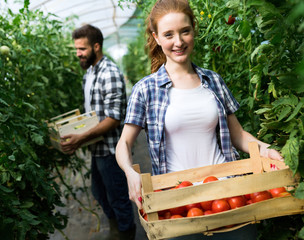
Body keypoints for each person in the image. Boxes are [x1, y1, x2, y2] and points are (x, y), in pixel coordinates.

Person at [115, 0, 283, 239]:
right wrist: (130, 173)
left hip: (229, 194)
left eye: (185, 31)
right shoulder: (145, 89)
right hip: (179, 204)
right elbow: (123, 145)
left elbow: (237, 135)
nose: (178, 42)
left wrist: (266, 149)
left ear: (194, 28)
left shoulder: (213, 80)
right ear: (157, 37)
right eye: (168, 34)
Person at [61, 24, 136, 240]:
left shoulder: (109, 73)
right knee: (100, 194)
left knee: (118, 198)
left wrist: (80, 138)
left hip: (111, 150)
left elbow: (113, 119)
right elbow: (92, 113)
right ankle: (117, 229)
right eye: (76, 49)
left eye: (82, 49)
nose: (78, 54)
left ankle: (124, 233)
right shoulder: (90, 73)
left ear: (96, 46)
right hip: (97, 147)